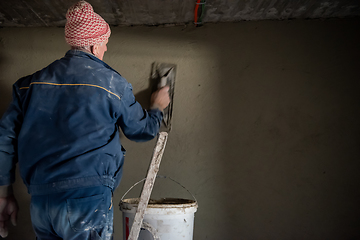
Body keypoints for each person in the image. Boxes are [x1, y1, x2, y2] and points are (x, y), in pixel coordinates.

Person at [0, 1, 170, 239]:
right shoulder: (112, 84)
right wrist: (157, 108)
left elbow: (4, 139)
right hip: (86, 202)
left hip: (41, 202)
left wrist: (4, 193)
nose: (106, 50)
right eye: (105, 44)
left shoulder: (29, 85)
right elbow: (141, 131)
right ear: (93, 45)